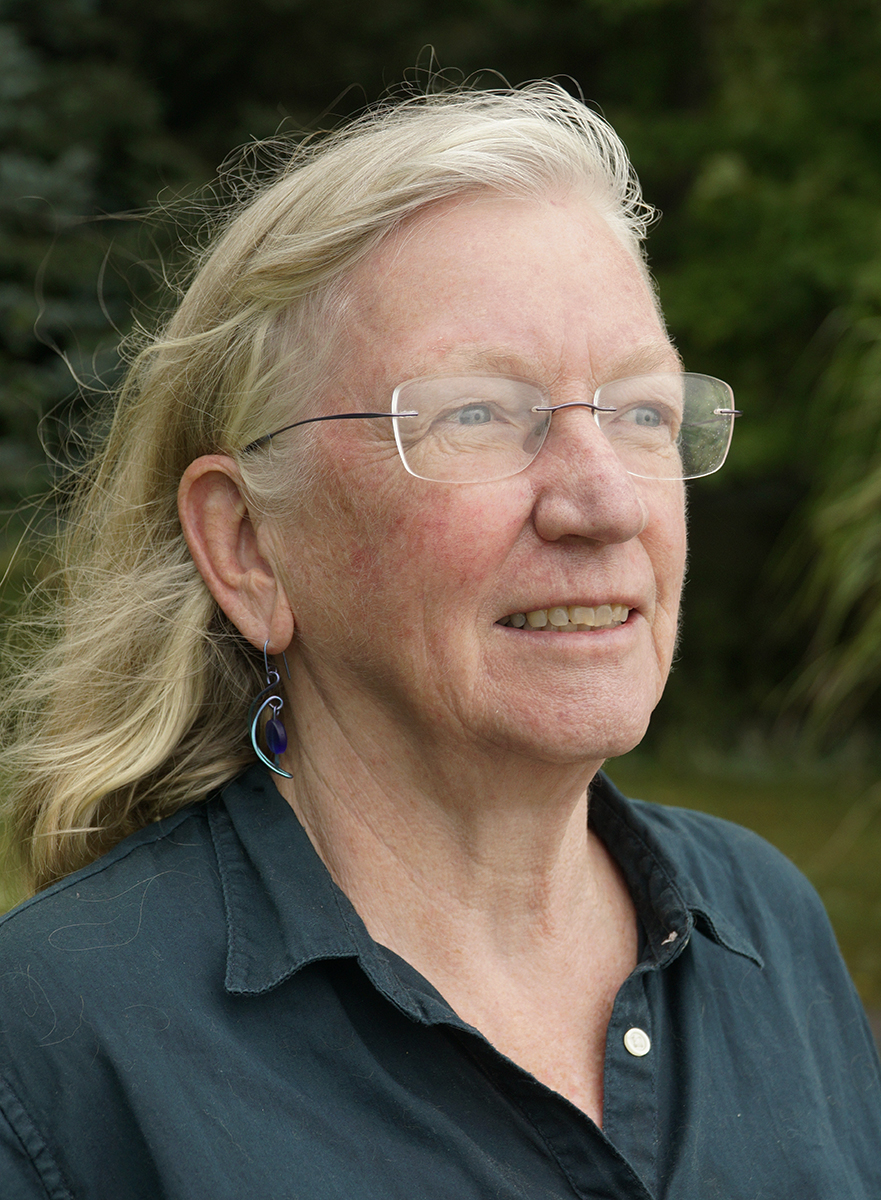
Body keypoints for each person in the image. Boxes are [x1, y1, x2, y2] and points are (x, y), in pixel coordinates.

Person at [0, 82, 878, 1200]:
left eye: (640, 412)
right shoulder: (55, 1050)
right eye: (477, 413)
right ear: (249, 547)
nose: (604, 503)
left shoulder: (762, 922)